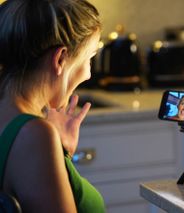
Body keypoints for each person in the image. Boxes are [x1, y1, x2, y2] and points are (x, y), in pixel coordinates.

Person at [0, 0, 105, 212]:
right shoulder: (34, 135)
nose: (88, 73)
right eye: (89, 58)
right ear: (60, 59)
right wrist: (46, 142)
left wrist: (61, 153)